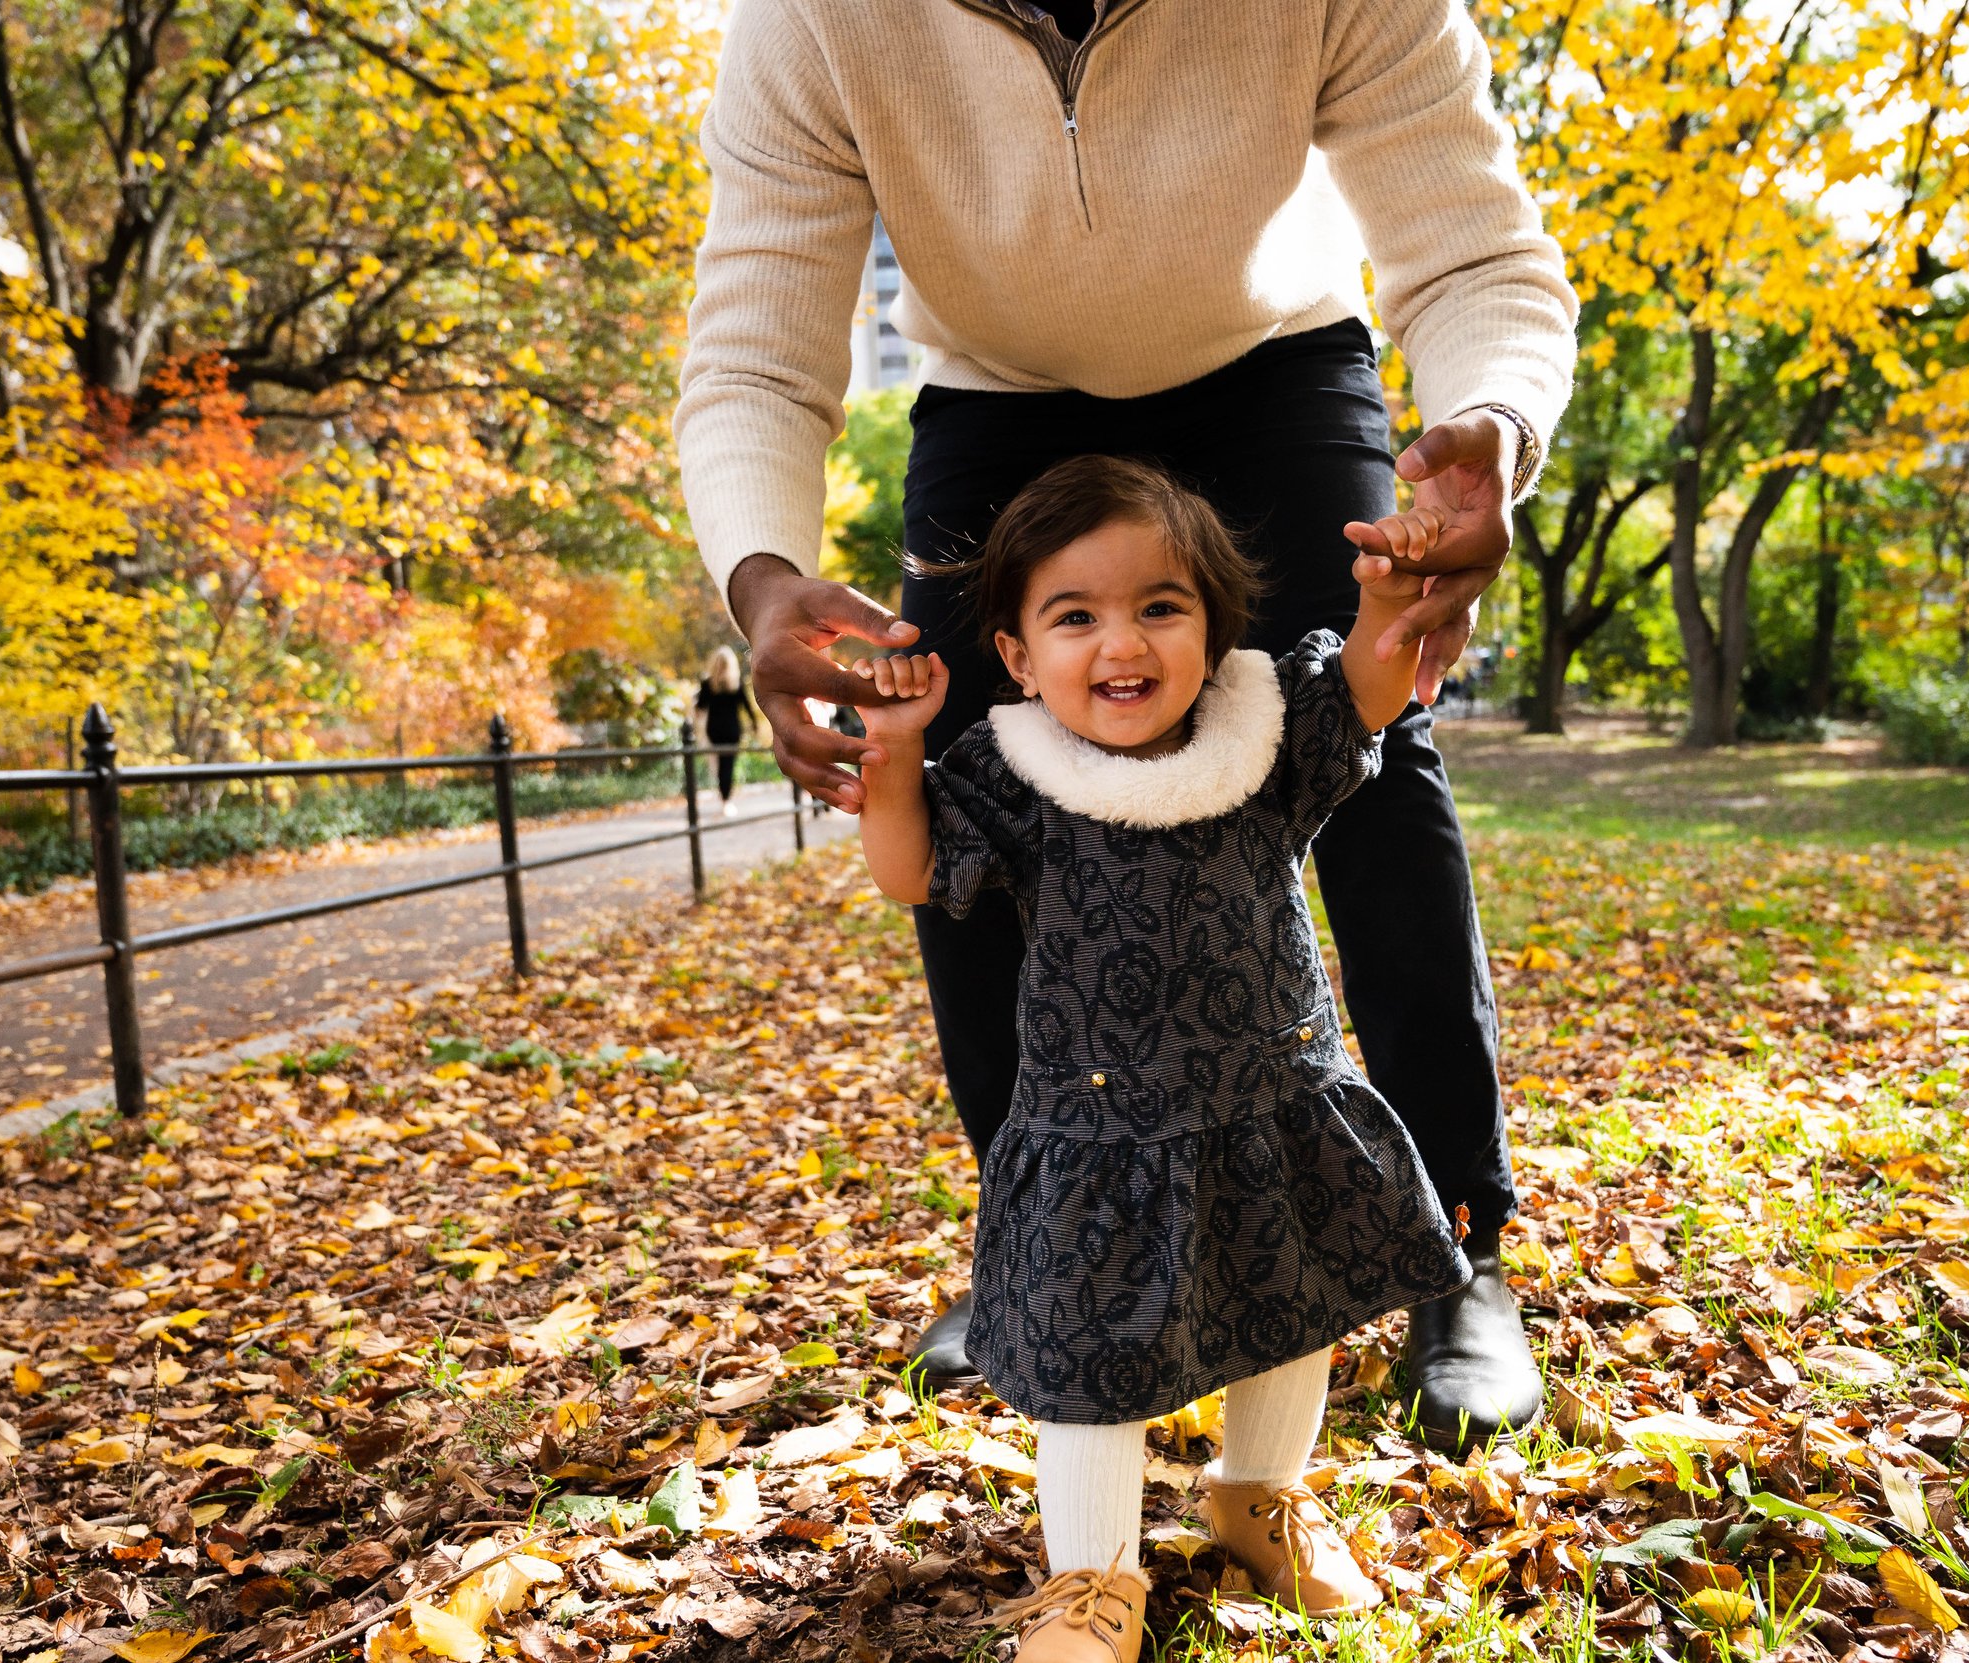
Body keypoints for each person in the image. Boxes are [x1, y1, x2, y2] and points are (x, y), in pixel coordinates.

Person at [674, 0, 1579, 1452]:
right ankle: (1034, 1248)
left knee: (1374, 748)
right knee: (973, 778)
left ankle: (1459, 1247)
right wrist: (763, 571)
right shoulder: (816, 17)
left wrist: (1493, 420)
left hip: (1275, 368)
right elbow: (757, 333)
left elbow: (1470, 244)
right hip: (999, 403)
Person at [852, 457, 1469, 1658]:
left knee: (1294, 1306)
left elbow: (1372, 687)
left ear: (1213, 625)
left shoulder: (1261, 735)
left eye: (1158, 606)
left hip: (1270, 1098)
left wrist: (1392, 608)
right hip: (1098, 1132)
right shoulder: (1020, 772)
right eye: (1072, 616)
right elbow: (910, 872)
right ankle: (1093, 1582)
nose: (1119, 641)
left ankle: (1257, 1496)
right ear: (1019, 656)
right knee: (1091, 1356)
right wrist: (889, 751)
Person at [691, 647, 759, 816]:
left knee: (721, 765)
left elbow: (699, 708)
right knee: (728, 765)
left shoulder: (708, 684)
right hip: (732, 730)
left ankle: (724, 799)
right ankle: (726, 800)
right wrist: (754, 724)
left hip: (714, 730)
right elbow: (747, 707)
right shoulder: (736, 684)